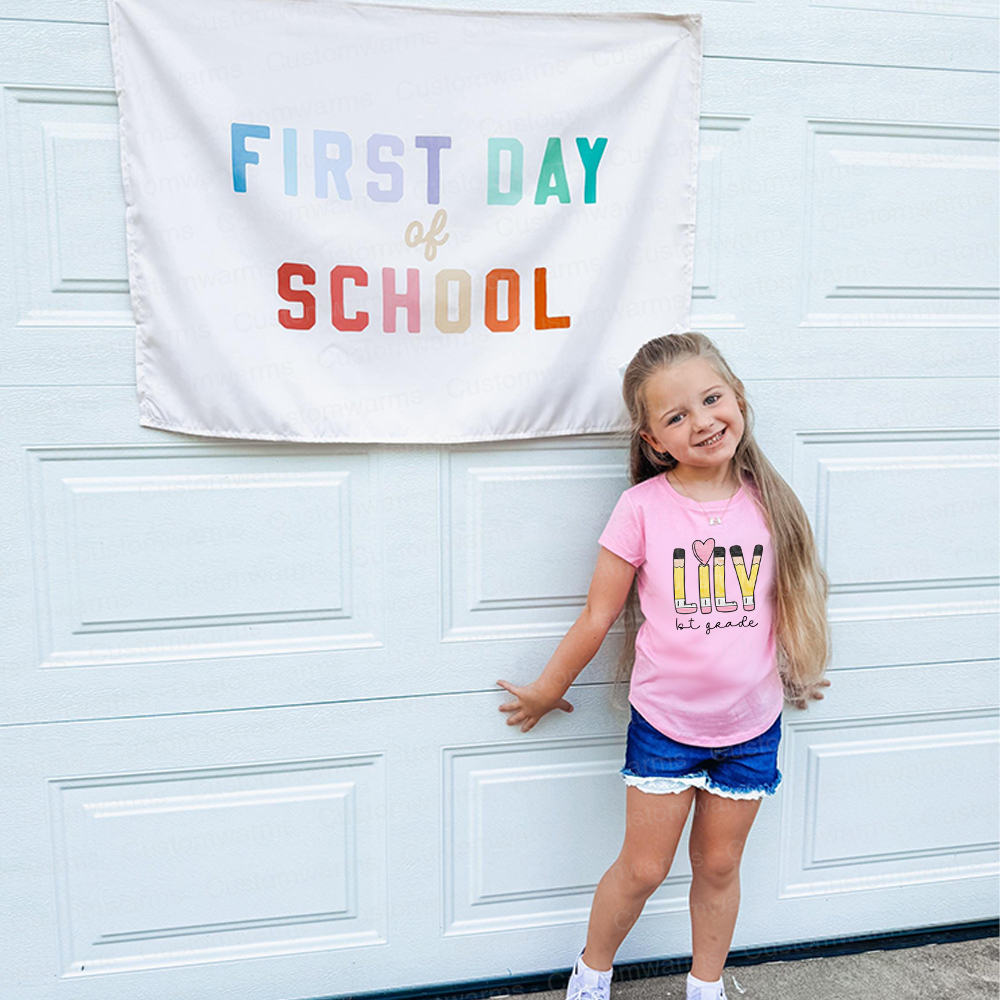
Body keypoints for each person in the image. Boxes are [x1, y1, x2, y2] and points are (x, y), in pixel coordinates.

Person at [495, 332, 832, 1000]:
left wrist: (799, 664)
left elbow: (789, 593)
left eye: (712, 399)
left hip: (750, 728)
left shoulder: (771, 501)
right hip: (666, 727)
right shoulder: (641, 509)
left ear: (737, 397)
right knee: (644, 868)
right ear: (654, 441)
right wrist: (545, 689)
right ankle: (591, 975)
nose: (702, 420)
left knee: (717, 867)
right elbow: (598, 614)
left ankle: (705, 987)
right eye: (677, 416)